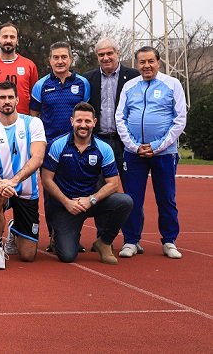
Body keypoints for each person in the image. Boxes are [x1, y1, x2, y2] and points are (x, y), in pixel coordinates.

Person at [115, 46, 187, 259]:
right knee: (132, 199)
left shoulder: (172, 84)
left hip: (164, 153)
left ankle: (169, 241)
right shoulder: (129, 86)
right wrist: (134, 145)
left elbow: (180, 119)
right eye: (142, 62)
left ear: (158, 62)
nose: (146, 66)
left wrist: (157, 146)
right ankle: (131, 241)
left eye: (150, 61)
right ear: (137, 64)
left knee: (166, 198)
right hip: (134, 153)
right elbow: (120, 118)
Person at [42, 102, 133, 264]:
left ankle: (104, 242)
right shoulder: (57, 145)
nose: (83, 125)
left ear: (94, 122)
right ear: (72, 121)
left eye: (87, 121)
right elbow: (46, 180)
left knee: (125, 202)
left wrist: (91, 200)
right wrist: (67, 202)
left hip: (91, 202)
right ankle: (63, 234)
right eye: (79, 121)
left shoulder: (104, 148)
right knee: (67, 256)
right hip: (67, 206)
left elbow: (113, 184)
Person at [30, 41, 91, 251]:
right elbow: (34, 117)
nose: (60, 61)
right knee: (51, 193)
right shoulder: (41, 85)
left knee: (76, 190)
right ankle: (54, 236)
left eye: (64, 57)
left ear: (71, 59)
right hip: (50, 149)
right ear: (50, 60)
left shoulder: (83, 83)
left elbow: (87, 114)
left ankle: (74, 236)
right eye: (55, 57)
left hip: (76, 147)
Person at [0, 81, 47, 270]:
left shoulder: (33, 124)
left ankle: (13, 228)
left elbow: (38, 158)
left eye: (10, 97)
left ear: (17, 100)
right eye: (2, 97)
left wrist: (14, 181)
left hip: (26, 191)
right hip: (1, 188)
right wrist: (2, 184)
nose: (7, 101)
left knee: (28, 255)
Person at [83, 38, 139, 185]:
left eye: (109, 53)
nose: (105, 58)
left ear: (117, 53)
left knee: (132, 187)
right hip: (98, 141)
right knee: (97, 188)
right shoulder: (88, 79)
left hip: (125, 142)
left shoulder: (134, 76)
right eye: (101, 55)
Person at [0, 22, 39, 118]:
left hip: (22, 122)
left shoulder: (29, 65)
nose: (8, 40)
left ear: (17, 40)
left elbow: (35, 99)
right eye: (5, 37)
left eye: (12, 37)